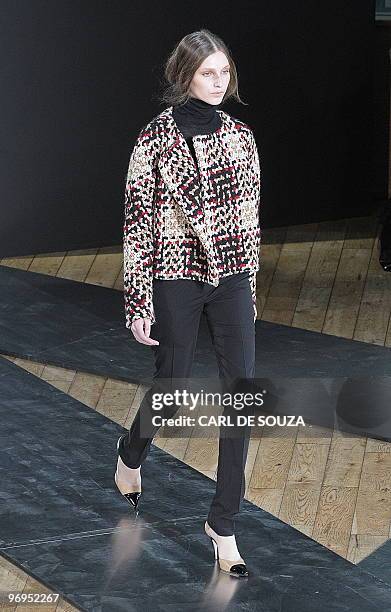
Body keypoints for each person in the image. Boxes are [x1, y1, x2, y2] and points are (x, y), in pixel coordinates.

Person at [114, 28, 261, 578]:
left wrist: (250, 291)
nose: (219, 82)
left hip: (232, 278)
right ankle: (131, 453)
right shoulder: (154, 140)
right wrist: (138, 300)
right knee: (172, 382)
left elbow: (250, 220)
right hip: (176, 271)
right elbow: (137, 225)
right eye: (208, 73)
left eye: (225, 73)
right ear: (184, 76)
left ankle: (224, 524)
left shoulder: (241, 137)